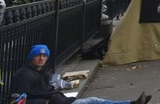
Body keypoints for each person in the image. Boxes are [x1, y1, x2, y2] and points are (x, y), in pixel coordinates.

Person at [11, 44, 151, 104]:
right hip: (58, 102)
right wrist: (45, 102)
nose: (42, 58)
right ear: (31, 57)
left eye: (44, 56)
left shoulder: (39, 72)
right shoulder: (25, 75)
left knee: (95, 102)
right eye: (38, 56)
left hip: (61, 100)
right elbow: (19, 100)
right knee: (95, 101)